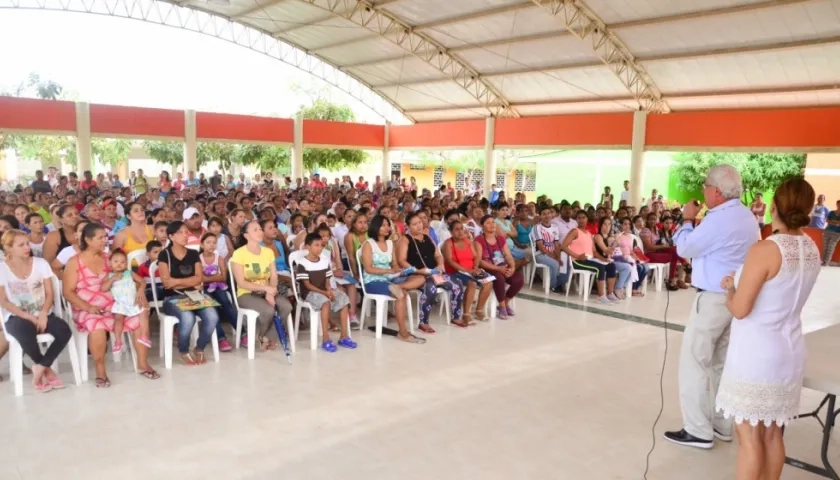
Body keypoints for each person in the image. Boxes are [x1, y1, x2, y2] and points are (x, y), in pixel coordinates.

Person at [715, 178, 820, 480]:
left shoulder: (765, 249)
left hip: (757, 353)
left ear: (774, 206)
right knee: (773, 433)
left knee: (748, 435)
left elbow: (740, 309)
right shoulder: (810, 248)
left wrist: (731, 289)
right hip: (790, 349)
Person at [664, 164, 758, 449]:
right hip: (735, 297)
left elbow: (685, 249)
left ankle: (697, 430)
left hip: (714, 298)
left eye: (705, 186)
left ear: (716, 192)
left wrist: (687, 220)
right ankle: (721, 424)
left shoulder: (718, 219)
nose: (702, 191)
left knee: (695, 361)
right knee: (721, 363)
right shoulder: (746, 217)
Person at [63, 223, 158, 386]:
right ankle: (100, 370)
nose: (104, 240)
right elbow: (68, 292)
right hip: (87, 305)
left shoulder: (110, 258)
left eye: (105, 237)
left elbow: (128, 278)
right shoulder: (74, 262)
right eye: (100, 238)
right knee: (97, 326)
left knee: (137, 319)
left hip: (115, 302)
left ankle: (142, 363)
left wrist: (137, 294)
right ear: (87, 239)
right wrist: (88, 307)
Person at [0, 230, 71, 392]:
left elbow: (49, 293)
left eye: (27, 243)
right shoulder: (2, 269)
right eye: (21, 245)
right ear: (9, 248)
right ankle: (47, 369)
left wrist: (44, 313)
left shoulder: (40, 263)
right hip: (17, 315)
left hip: (42, 312)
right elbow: (3, 300)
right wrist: (28, 317)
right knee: (25, 331)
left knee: (64, 331)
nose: (27, 247)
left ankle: (39, 367)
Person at [158, 221, 220, 365]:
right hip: (172, 297)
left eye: (186, 232)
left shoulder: (193, 253)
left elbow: (199, 278)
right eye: (181, 232)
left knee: (212, 316)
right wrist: (191, 282)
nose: (186, 235)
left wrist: (177, 281)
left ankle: (199, 348)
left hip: (194, 295)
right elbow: (167, 283)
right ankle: (183, 350)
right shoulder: (164, 254)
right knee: (187, 317)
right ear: (171, 236)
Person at [360, 215, 426, 343]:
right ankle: (403, 332)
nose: (387, 228)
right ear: (376, 227)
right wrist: (388, 271)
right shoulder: (368, 244)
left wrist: (397, 269)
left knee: (420, 278)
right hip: (373, 281)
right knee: (401, 294)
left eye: (388, 225)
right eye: (383, 225)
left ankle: (399, 287)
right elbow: (368, 269)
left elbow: (394, 263)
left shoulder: (390, 243)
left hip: (390, 279)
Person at [396, 211, 466, 332]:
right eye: (414, 224)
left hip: (434, 272)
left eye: (419, 222)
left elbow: (438, 255)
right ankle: (423, 322)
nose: (418, 225)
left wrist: (439, 265)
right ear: (408, 226)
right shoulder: (405, 239)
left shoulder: (427, 237)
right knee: (431, 287)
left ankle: (455, 317)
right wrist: (418, 270)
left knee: (457, 284)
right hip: (417, 274)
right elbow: (402, 260)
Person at [230, 221, 294, 352]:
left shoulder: (267, 252)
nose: (260, 232)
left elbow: (274, 276)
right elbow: (241, 282)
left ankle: (265, 336)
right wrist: (266, 289)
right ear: (246, 235)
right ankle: (264, 336)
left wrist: (270, 292)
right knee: (268, 310)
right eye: (255, 230)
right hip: (246, 293)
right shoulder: (239, 254)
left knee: (287, 306)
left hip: (267, 290)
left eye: (260, 229)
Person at [295, 232, 357, 352]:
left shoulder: (324, 261)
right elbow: (307, 285)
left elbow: (327, 281)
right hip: (309, 293)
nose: (319, 248)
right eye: (316, 245)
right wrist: (325, 293)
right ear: (307, 247)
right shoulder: (303, 263)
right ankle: (326, 338)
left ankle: (344, 336)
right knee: (325, 303)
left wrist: (329, 290)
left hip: (324, 290)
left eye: (321, 245)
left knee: (343, 299)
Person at [442, 220, 493, 325]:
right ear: (451, 232)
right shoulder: (448, 243)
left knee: (488, 282)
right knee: (472, 283)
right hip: (455, 272)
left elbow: (475, 256)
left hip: (471, 271)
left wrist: (475, 267)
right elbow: (449, 261)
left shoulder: (467, 241)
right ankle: (466, 314)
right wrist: (467, 270)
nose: (460, 232)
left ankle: (479, 310)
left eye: (461, 228)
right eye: (456, 229)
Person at [100, 249, 151, 354]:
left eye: (123, 262)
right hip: (121, 303)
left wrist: (141, 290)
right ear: (110, 263)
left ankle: (144, 336)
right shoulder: (109, 276)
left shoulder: (129, 273)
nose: (119, 264)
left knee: (144, 312)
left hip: (133, 301)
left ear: (126, 264)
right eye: (116, 261)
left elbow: (142, 281)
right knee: (118, 319)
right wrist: (112, 279)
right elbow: (103, 288)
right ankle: (118, 341)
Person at [560, 210, 618, 304]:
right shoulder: (575, 231)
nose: (581, 220)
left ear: (587, 219)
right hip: (578, 261)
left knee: (611, 266)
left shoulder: (589, 234)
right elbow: (564, 246)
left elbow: (594, 252)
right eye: (579, 218)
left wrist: (603, 259)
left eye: (584, 218)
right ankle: (600, 296)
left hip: (589, 259)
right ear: (576, 220)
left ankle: (610, 293)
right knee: (600, 268)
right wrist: (577, 256)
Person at [474, 215, 523, 320]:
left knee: (518, 279)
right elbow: (480, 261)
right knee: (499, 278)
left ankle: (505, 302)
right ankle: (502, 306)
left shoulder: (500, 239)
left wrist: (512, 267)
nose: (492, 225)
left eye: (493, 222)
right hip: (488, 268)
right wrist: (498, 269)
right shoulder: (479, 240)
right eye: (488, 223)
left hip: (502, 266)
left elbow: (508, 255)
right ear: (482, 226)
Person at [199, 232, 239, 352]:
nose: (212, 245)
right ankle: (221, 338)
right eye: (208, 242)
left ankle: (242, 333)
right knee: (211, 306)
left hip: (219, 286)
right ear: (202, 244)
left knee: (225, 302)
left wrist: (209, 278)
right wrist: (214, 277)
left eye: (214, 242)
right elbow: (200, 279)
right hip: (204, 288)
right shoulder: (198, 259)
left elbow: (223, 277)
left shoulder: (219, 258)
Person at [594, 217, 631, 300]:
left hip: (609, 260)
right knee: (612, 266)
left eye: (609, 224)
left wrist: (616, 241)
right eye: (605, 224)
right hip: (599, 260)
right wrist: (615, 243)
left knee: (626, 266)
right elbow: (606, 251)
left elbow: (615, 252)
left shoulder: (610, 236)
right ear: (601, 225)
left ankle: (611, 292)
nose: (607, 226)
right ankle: (609, 292)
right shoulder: (598, 236)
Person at [532, 204, 566, 294]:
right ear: (540, 216)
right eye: (544, 214)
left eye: (549, 213)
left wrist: (558, 257)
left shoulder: (555, 227)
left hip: (552, 254)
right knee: (555, 264)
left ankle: (560, 282)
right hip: (540, 254)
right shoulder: (537, 228)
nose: (547, 216)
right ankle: (553, 286)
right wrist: (554, 258)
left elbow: (556, 245)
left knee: (565, 262)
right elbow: (541, 247)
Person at [616, 217, 649, 297]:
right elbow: (617, 249)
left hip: (629, 257)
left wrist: (636, 257)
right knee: (639, 267)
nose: (627, 226)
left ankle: (635, 288)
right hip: (621, 258)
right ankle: (626, 288)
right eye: (625, 224)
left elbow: (631, 250)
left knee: (645, 267)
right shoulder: (618, 236)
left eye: (629, 224)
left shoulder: (630, 237)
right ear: (621, 225)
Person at [822, 199, 840, 265]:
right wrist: (836, 223)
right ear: (837, 204)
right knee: (825, 247)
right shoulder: (832, 212)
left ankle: (826, 262)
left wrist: (832, 221)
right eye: (838, 204)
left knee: (831, 247)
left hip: (837, 233)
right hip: (827, 231)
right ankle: (823, 261)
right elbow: (827, 220)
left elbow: (837, 222)